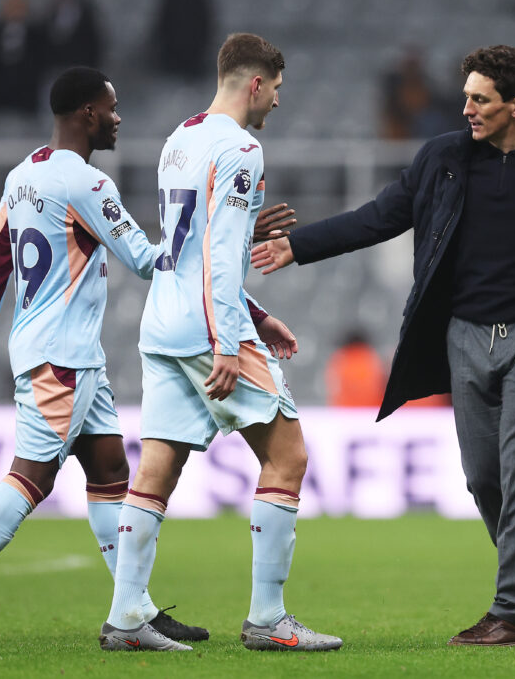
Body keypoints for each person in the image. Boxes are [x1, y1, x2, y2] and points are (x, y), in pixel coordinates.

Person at [253, 44, 515, 647]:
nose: (465, 108)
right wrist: (300, 246)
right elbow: (379, 217)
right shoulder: (442, 159)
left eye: (480, 99)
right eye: (466, 96)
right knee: (481, 479)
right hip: (465, 336)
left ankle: (509, 614)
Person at [0, 67, 300, 647]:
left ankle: (132, 608)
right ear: (88, 113)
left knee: (111, 470)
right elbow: (147, 260)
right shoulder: (88, 184)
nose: (118, 119)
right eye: (111, 109)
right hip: (62, 358)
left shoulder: (23, 176)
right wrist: (232, 230)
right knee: (32, 476)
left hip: (55, 349)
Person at [99, 33, 342, 653]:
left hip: (164, 320)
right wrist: (233, 339)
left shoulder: (180, 137)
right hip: (211, 329)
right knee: (287, 458)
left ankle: (126, 618)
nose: (279, 103)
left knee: (157, 467)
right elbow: (214, 256)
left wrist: (257, 317)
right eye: (278, 89)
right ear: (255, 84)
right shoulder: (242, 149)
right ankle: (267, 619)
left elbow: (193, 243)